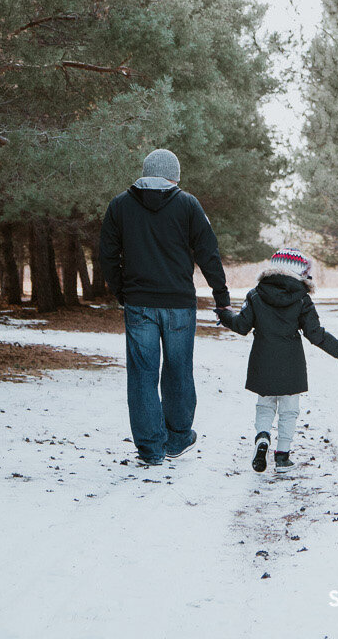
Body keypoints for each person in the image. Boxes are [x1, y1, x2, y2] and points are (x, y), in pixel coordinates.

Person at [98, 148, 229, 467]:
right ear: (174, 176)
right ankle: (178, 437)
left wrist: (121, 292)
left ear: (145, 173)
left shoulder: (120, 205)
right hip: (179, 305)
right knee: (178, 369)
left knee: (142, 375)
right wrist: (221, 296)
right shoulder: (187, 204)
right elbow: (208, 253)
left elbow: (107, 255)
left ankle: (150, 449)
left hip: (139, 303)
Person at [214, 247, 338, 471]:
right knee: (289, 410)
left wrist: (224, 315)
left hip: (262, 358)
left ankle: (262, 438)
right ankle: (282, 457)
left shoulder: (255, 294)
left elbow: (241, 326)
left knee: (265, 405)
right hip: (291, 361)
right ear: (299, 272)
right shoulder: (302, 299)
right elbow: (316, 334)